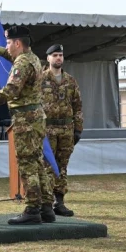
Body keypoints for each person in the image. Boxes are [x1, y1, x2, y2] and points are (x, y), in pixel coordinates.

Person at [0, 26, 55, 225]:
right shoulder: (31, 57)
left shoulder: (22, 63)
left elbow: (11, 90)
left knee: (27, 163)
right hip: (35, 117)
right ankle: (47, 206)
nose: (6, 46)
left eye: (8, 43)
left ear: (17, 43)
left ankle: (32, 209)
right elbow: (12, 56)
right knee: (37, 161)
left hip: (26, 119)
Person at [41, 44, 83, 217]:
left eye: (61, 55)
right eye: (55, 55)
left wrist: (78, 129)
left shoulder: (70, 81)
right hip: (47, 129)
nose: (58, 58)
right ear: (48, 58)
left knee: (62, 166)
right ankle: (47, 203)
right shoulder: (40, 79)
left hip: (66, 128)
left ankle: (60, 202)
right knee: (48, 166)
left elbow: (77, 105)